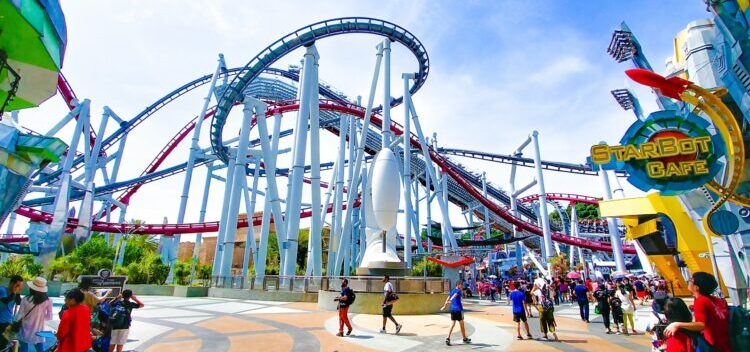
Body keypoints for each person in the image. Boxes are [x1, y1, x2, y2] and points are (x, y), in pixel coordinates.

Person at [664, 272, 730, 352]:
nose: (688, 281)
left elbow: (701, 325)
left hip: (713, 346)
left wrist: (677, 324)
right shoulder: (717, 300)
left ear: (696, 287)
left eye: (691, 280)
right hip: (726, 343)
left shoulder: (700, 301)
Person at [17, 277, 53, 352]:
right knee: (40, 350)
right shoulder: (48, 301)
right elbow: (49, 317)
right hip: (38, 331)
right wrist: (40, 318)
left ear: (32, 288)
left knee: (23, 349)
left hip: (24, 329)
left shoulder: (25, 299)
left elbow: (19, 315)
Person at [441, 281, 471, 346]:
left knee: (453, 324)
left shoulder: (452, 290)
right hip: (459, 310)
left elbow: (448, 298)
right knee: (462, 324)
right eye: (461, 285)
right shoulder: (458, 291)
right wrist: (450, 300)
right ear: (458, 285)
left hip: (453, 310)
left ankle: (448, 338)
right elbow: (454, 296)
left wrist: (444, 305)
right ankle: (464, 339)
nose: (462, 286)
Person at [0, 275, 23, 350]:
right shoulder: (2, 290)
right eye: (17, 285)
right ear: (11, 283)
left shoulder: (15, 293)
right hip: (0, 321)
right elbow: (6, 300)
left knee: (4, 344)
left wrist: (18, 293)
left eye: (20, 286)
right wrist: (13, 292)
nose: (19, 287)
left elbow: (18, 302)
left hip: (8, 322)